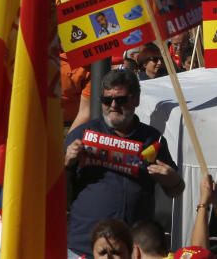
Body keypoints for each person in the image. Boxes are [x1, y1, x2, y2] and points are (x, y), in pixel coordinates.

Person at [64, 69, 184, 258]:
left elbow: (176, 190)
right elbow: (53, 190)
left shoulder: (153, 139)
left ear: (135, 100)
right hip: (83, 247)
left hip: (130, 250)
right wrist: (67, 164)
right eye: (106, 100)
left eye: (120, 100)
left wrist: (172, 179)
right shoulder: (82, 134)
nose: (113, 106)